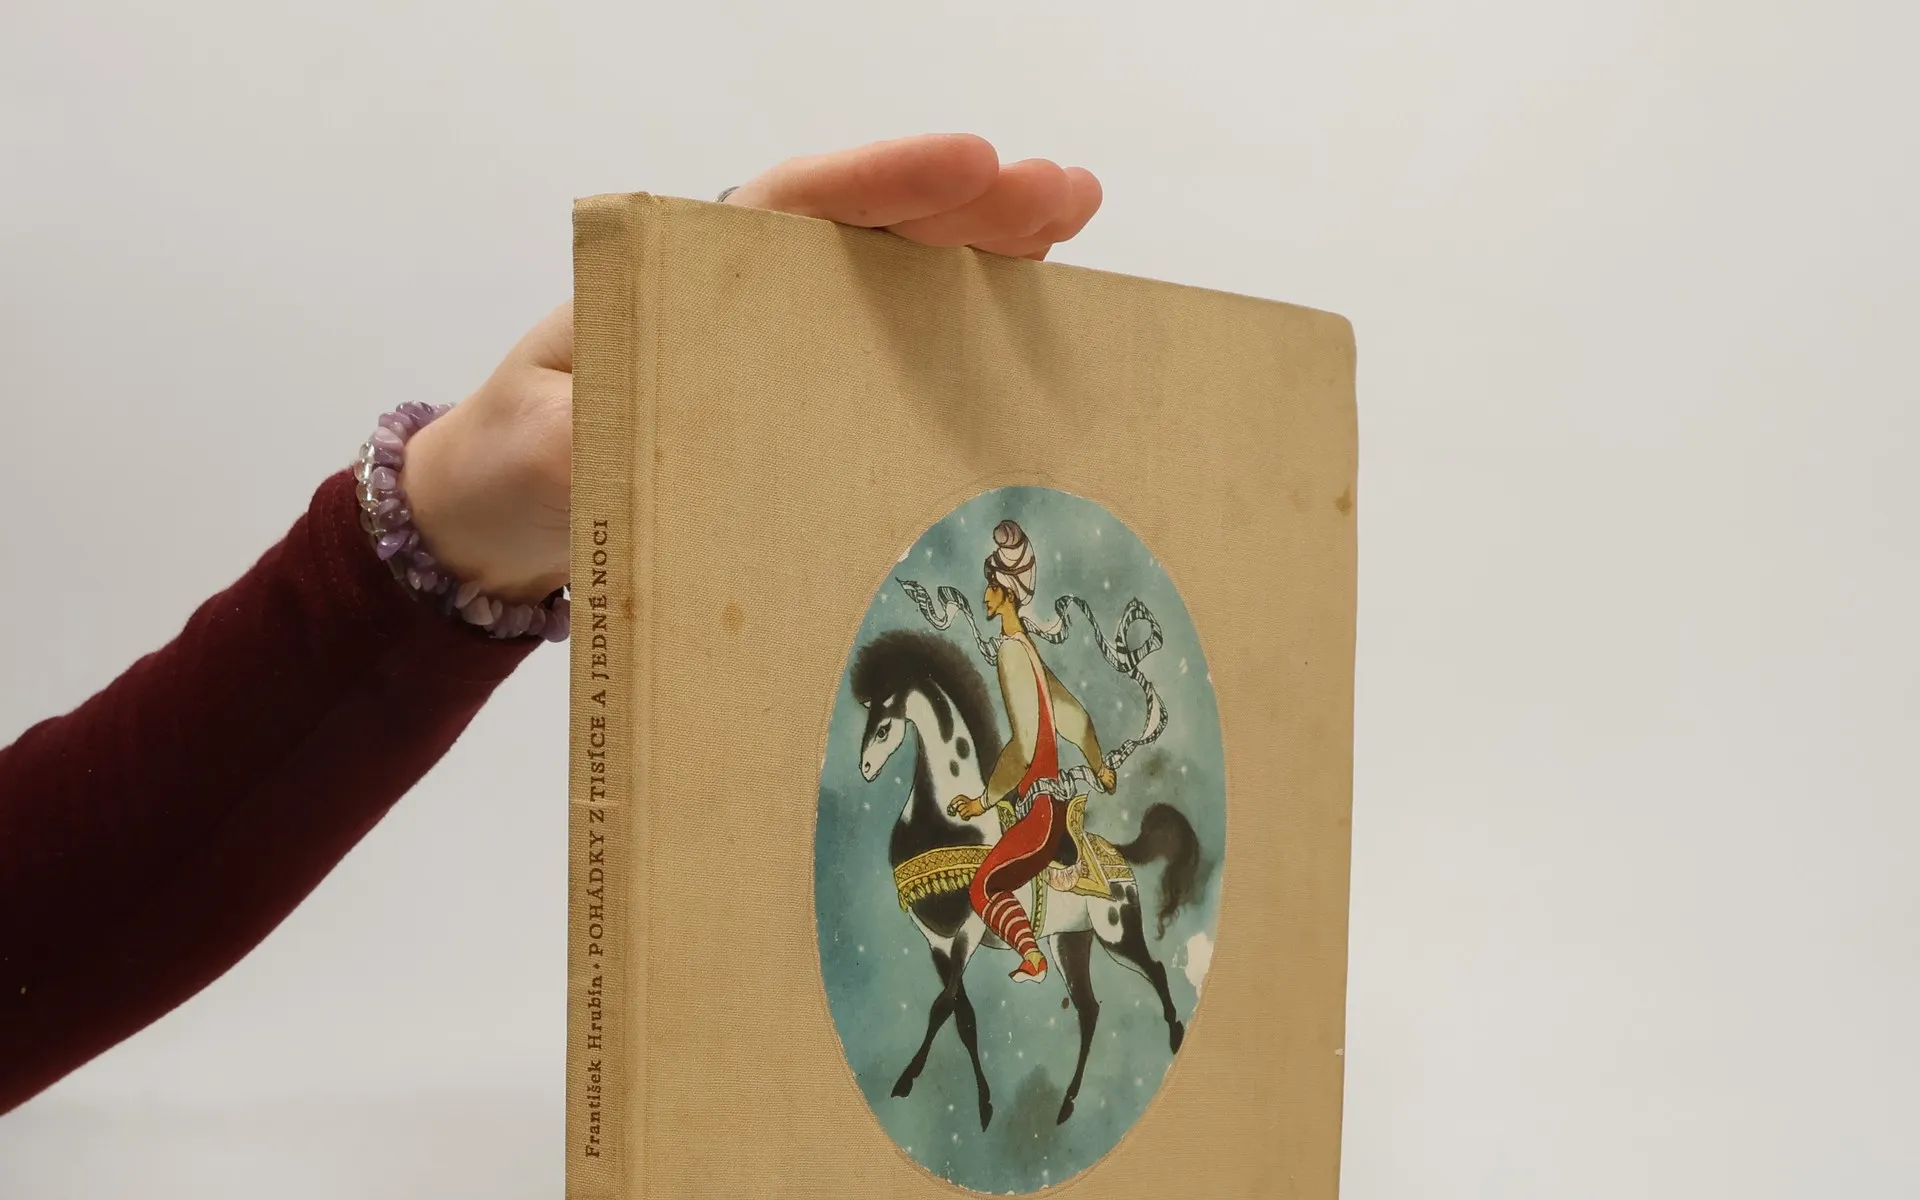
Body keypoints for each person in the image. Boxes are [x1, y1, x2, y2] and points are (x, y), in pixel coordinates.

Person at [0, 136, 1103, 1115]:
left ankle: (1029, 951)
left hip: (1040, 786)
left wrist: (451, 519)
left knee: (1005, 873)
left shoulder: (1024, 657)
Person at [948, 520, 1115, 983]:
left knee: (982, 889)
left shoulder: (1011, 652)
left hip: (1039, 816)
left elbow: (1023, 749)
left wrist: (982, 801)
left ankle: (1035, 960)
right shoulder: (1030, 650)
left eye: (991, 587)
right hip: (1048, 809)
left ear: (1006, 593)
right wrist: (1099, 767)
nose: (984, 595)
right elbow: (1077, 719)